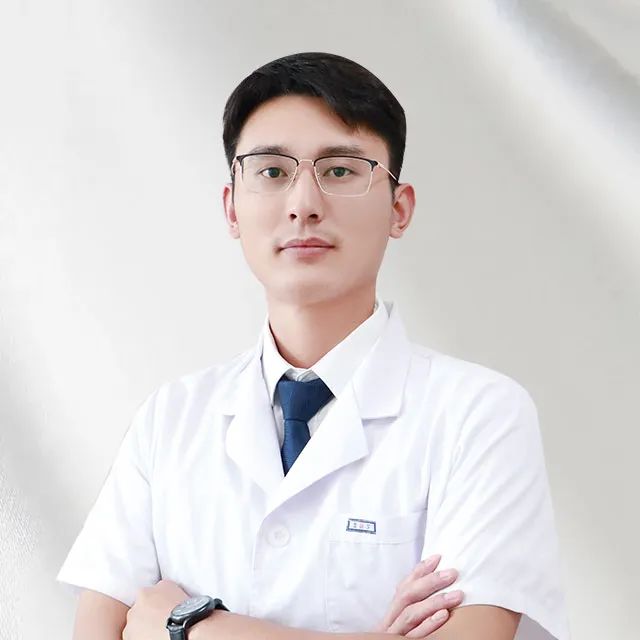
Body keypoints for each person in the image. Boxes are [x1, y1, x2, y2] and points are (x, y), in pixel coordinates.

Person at [57, 52, 570, 640]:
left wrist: (193, 628)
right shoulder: (169, 420)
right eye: (272, 171)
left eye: (341, 170)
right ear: (231, 208)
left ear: (399, 209)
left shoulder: (479, 414)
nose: (303, 203)